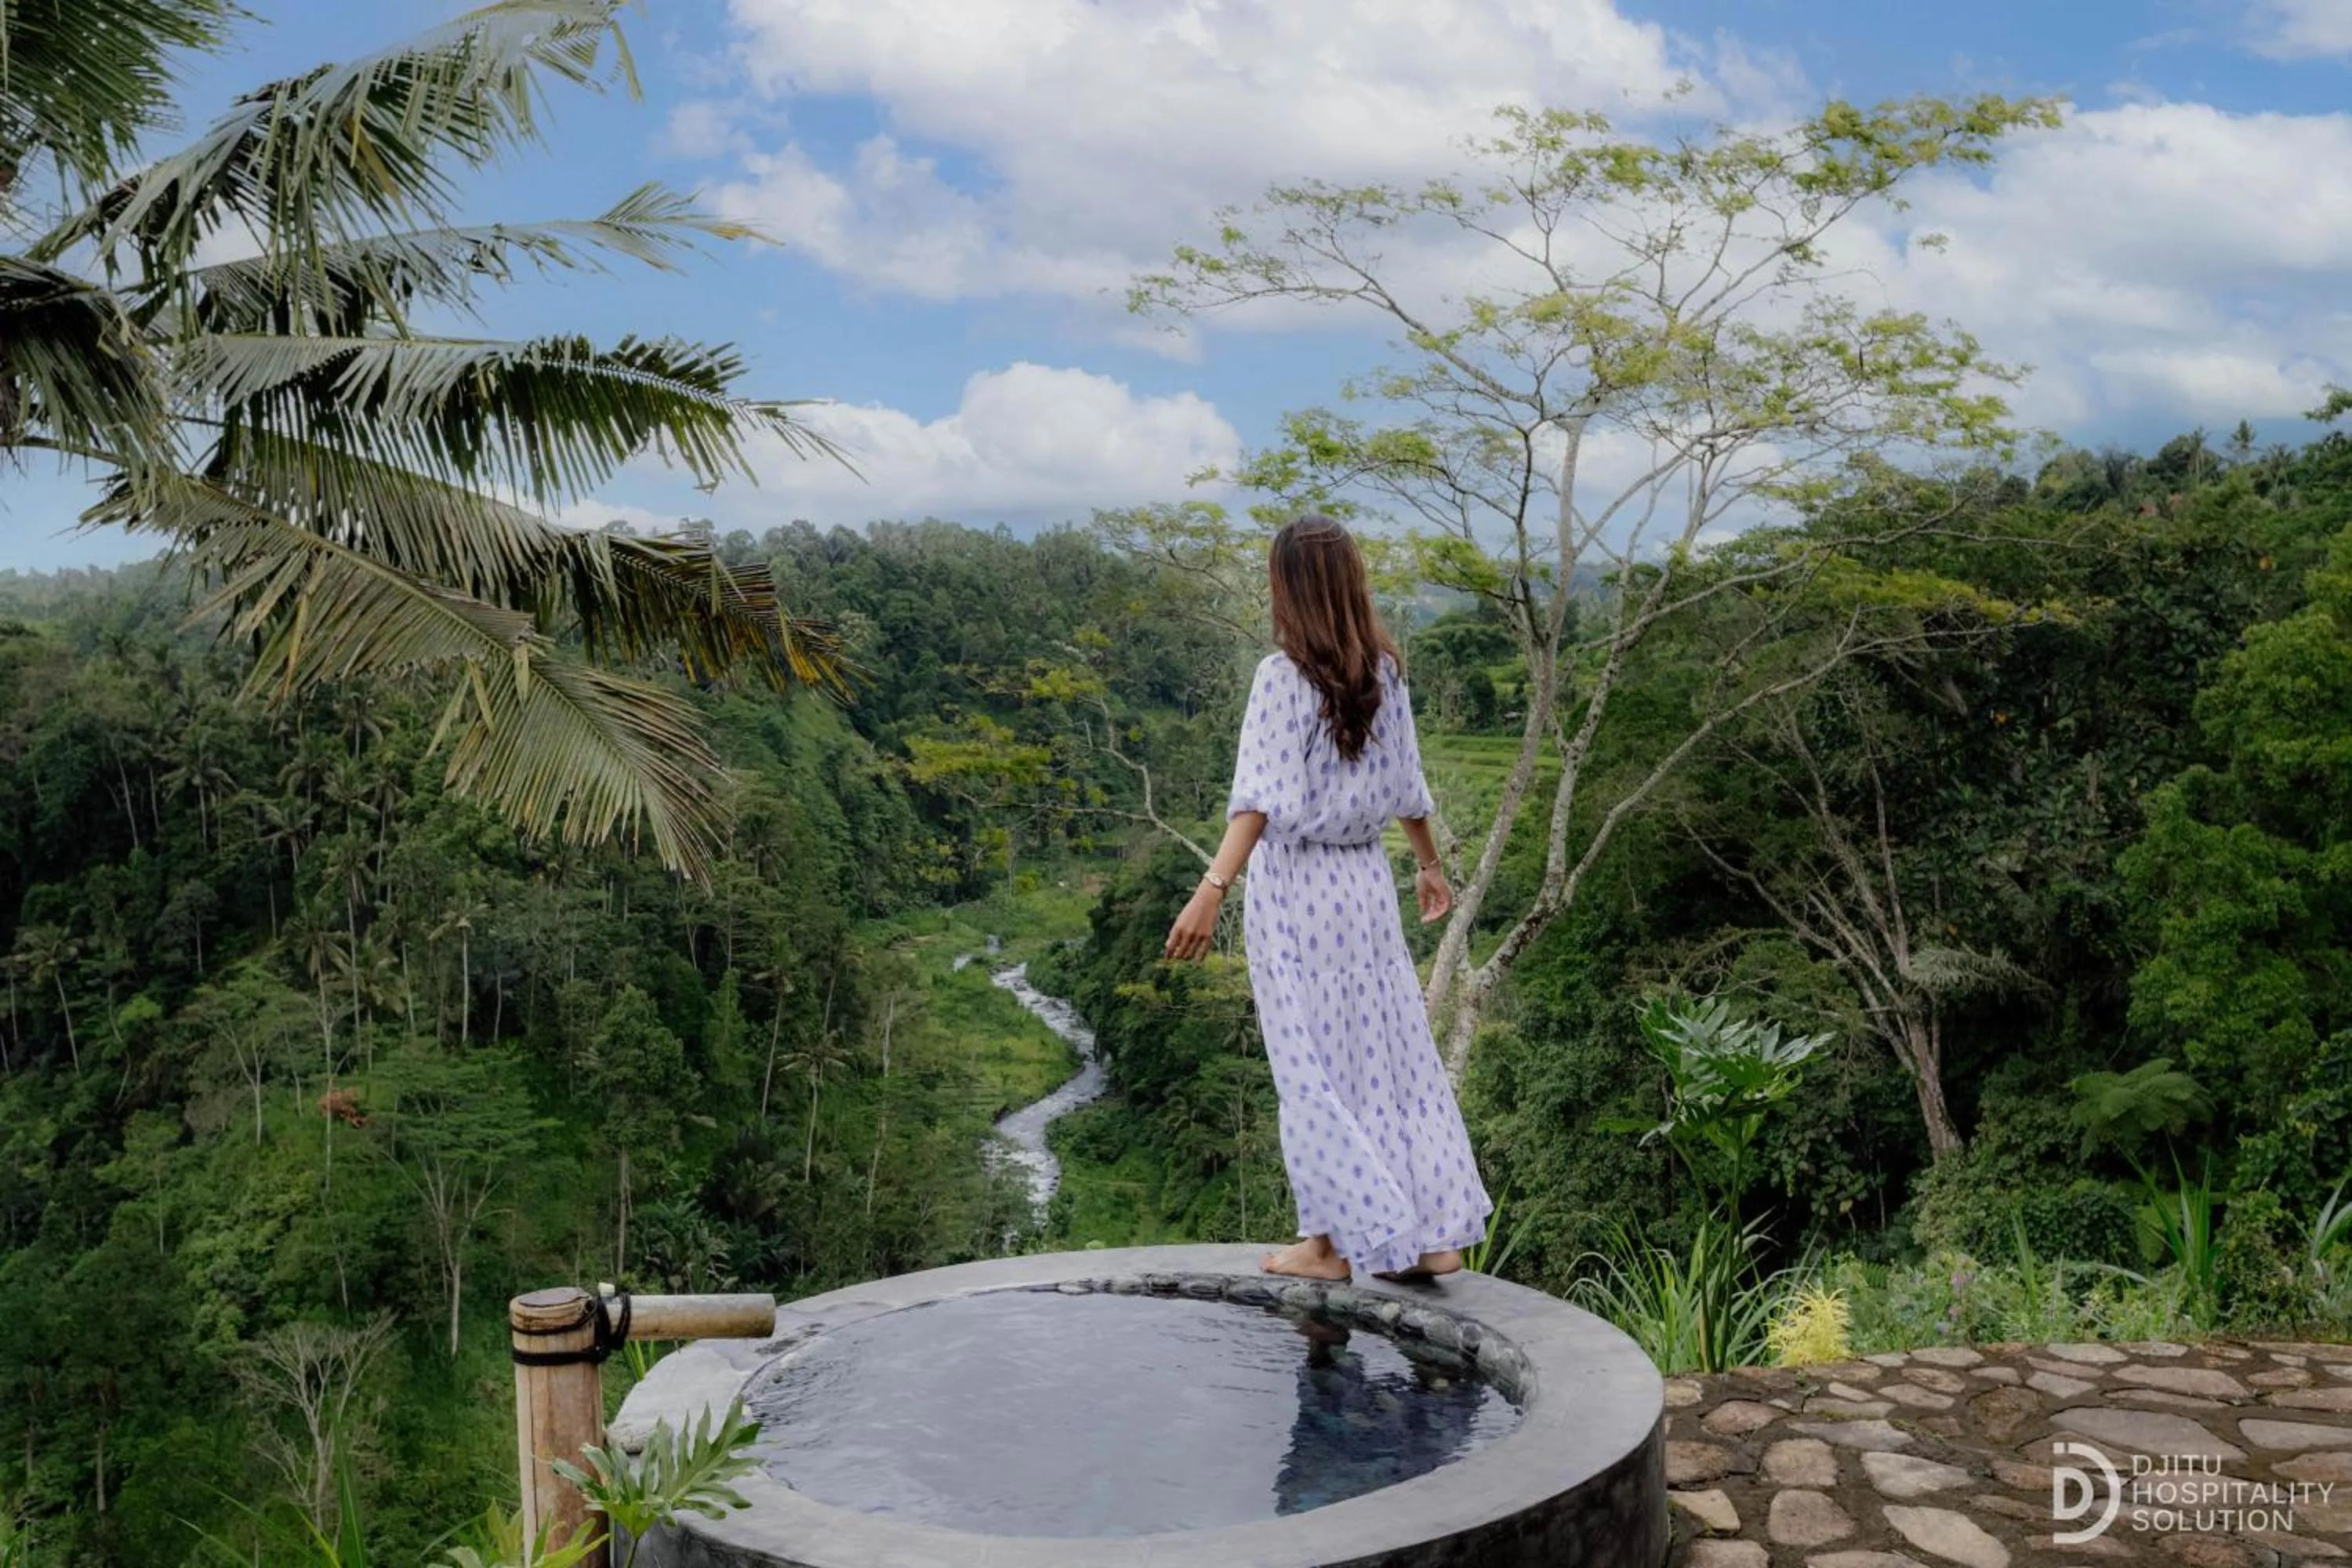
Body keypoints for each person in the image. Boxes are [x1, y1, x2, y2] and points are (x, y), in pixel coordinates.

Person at [1163, 515, 1493, 1282]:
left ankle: (1329, 1246)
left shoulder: (1282, 678)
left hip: (1298, 890)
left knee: (1311, 1063)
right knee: (1389, 1058)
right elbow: (1409, 787)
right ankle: (1428, 1235)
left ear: (1288, 588)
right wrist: (1428, 866)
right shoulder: (1386, 673)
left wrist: (1211, 889)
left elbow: (1260, 801)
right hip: (1366, 888)